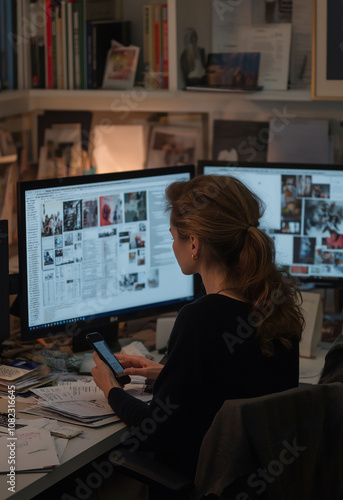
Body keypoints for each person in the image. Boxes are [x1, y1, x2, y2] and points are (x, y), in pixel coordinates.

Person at [91, 175, 304, 480]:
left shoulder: (200, 318)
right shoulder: (275, 303)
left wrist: (109, 388)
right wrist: (169, 372)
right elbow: (239, 384)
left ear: (194, 243)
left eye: (173, 236)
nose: (172, 244)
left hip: (204, 481)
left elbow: (154, 431)